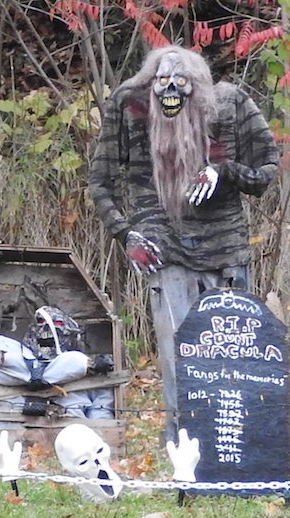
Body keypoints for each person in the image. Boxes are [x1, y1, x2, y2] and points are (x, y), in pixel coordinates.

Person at [88, 46, 279, 434]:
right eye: (162, 83)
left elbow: (267, 170)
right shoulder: (128, 105)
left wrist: (223, 172)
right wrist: (127, 235)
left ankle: (233, 442)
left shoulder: (231, 104)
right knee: (178, 352)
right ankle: (184, 438)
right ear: (150, 87)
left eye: (180, 83)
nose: (171, 90)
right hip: (164, 247)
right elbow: (100, 182)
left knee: (231, 352)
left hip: (225, 249)